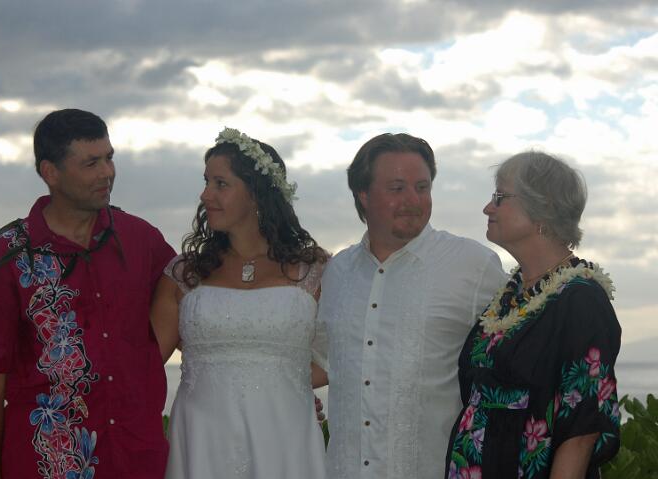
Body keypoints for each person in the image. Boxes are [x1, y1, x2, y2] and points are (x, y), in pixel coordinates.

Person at [0, 109, 175, 479]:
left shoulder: (142, 240)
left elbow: (199, 312)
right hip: (46, 465)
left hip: (139, 461)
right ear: (50, 172)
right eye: (91, 163)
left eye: (109, 158)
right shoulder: (5, 257)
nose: (107, 172)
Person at [317, 133, 506, 479]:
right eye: (397, 188)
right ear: (362, 194)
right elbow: (321, 361)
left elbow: (522, 360)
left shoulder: (473, 265)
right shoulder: (337, 272)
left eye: (422, 187)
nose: (412, 200)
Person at [150, 127, 329, 479]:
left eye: (221, 184)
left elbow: (344, 357)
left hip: (285, 436)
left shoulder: (315, 272)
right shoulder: (184, 275)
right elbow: (143, 363)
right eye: (206, 182)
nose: (205, 195)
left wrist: (286, 385)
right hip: (202, 436)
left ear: (256, 195)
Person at [445, 152, 620, 478]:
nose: (487, 207)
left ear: (543, 207)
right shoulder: (511, 296)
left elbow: (581, 432)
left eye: (500, 197)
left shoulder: (580, 301)